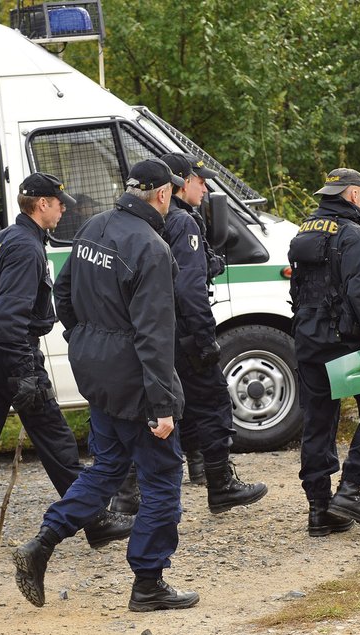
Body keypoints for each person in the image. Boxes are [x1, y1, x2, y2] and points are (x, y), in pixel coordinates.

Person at [12, 159, 197, 612]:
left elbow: (63, 292)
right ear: (162, 195)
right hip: (135, 381)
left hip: (96, 372)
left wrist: (83, 337)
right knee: (162, 479)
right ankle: (149, 584)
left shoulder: (93, 226)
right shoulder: (152, 248)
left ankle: (43, 541)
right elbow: (154, 335)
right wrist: (163, 405)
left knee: (108, 468)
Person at [0, 172, 131, 556]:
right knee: (54, 438)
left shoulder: (0, 237)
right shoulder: (26, 247)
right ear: (41, 205)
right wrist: (24, 372)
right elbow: (11, 316)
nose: (63, 209)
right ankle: (94, 519)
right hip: (13, 351)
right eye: (58, 203)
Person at [109, 153, 267, 516]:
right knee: (211, 401)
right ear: (179, 184)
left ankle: (131, 493)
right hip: (181, 331)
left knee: (160, 406)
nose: (206, 187)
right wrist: (205, 337)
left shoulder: (138, 221)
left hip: (148, 333)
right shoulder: (183, 224)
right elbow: (189, 288)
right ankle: (221, 484)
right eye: (200, 180)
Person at [288, 168, 360, 537]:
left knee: (319, 422)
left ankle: (320, 511)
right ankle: (352, 489)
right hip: (348, 348)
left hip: (309, 342)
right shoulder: (354, 235)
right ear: (353, 195)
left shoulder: (303, 232)